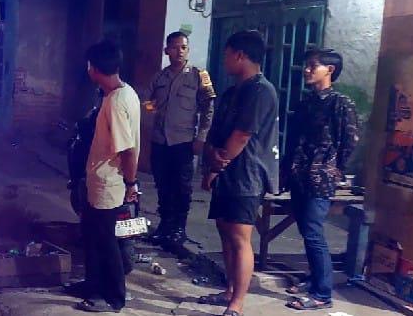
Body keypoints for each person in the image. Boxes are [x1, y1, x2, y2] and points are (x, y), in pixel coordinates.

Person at [199, 31, 279, 316]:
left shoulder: (260, 91)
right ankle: (229, 290)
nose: (224, 60)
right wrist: (211, 160)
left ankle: (237, 304)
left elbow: (242, 135)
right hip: (227, 172)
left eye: (227, 54)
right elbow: (217, 131)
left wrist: (218, 165)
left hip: (247, 174)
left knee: (240, 238)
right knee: (225, 232)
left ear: (240, 55)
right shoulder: (233, 91)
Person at [282, 48, 359, 310]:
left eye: (313, 66)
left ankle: (322, 294)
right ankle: (315, 278)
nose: (307, 70)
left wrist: (333, 168)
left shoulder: (341, 104)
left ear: (330, 70)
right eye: (307, 65)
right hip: (299, 175)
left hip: (321, 178)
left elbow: (350, 141)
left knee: (313, 231)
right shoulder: (306, 102)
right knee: (306, 229)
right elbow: (294, 139)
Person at [74, 40, 141, 314]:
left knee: (106, 241)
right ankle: (92, 285)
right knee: (92, 236)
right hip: (100, 180)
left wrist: (131, 183)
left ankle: (114, 297)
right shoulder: (125, 93)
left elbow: (128, 150)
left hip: (109, 182)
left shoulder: (115, 102)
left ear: (93, 68)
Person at [143, 31, 215, 246]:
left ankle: (179, 229)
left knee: (182, 187)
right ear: (167, 50)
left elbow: (208, 108)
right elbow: (146, 102)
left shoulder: (199, 76)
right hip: (160, 140)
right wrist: (153, 111)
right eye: (174, 47)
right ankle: (165, 226)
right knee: (163, 185)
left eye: (183, 47)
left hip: (183, 141)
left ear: (188, 50)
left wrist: (201, 137)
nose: (179, 52)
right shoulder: (159, 77)